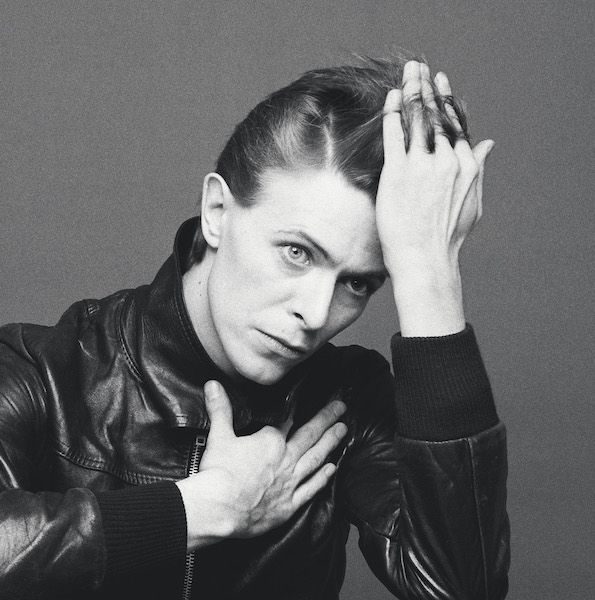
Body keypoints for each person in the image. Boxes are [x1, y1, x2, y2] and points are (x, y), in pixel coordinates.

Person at [0, 58, 509, 599]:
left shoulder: (351, 400)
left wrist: (428, 272)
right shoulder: (40, 371)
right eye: (297, 252)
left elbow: (461, 591)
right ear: (217, 211)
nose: (317, 314)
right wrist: (202, 509)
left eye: (358, 283)